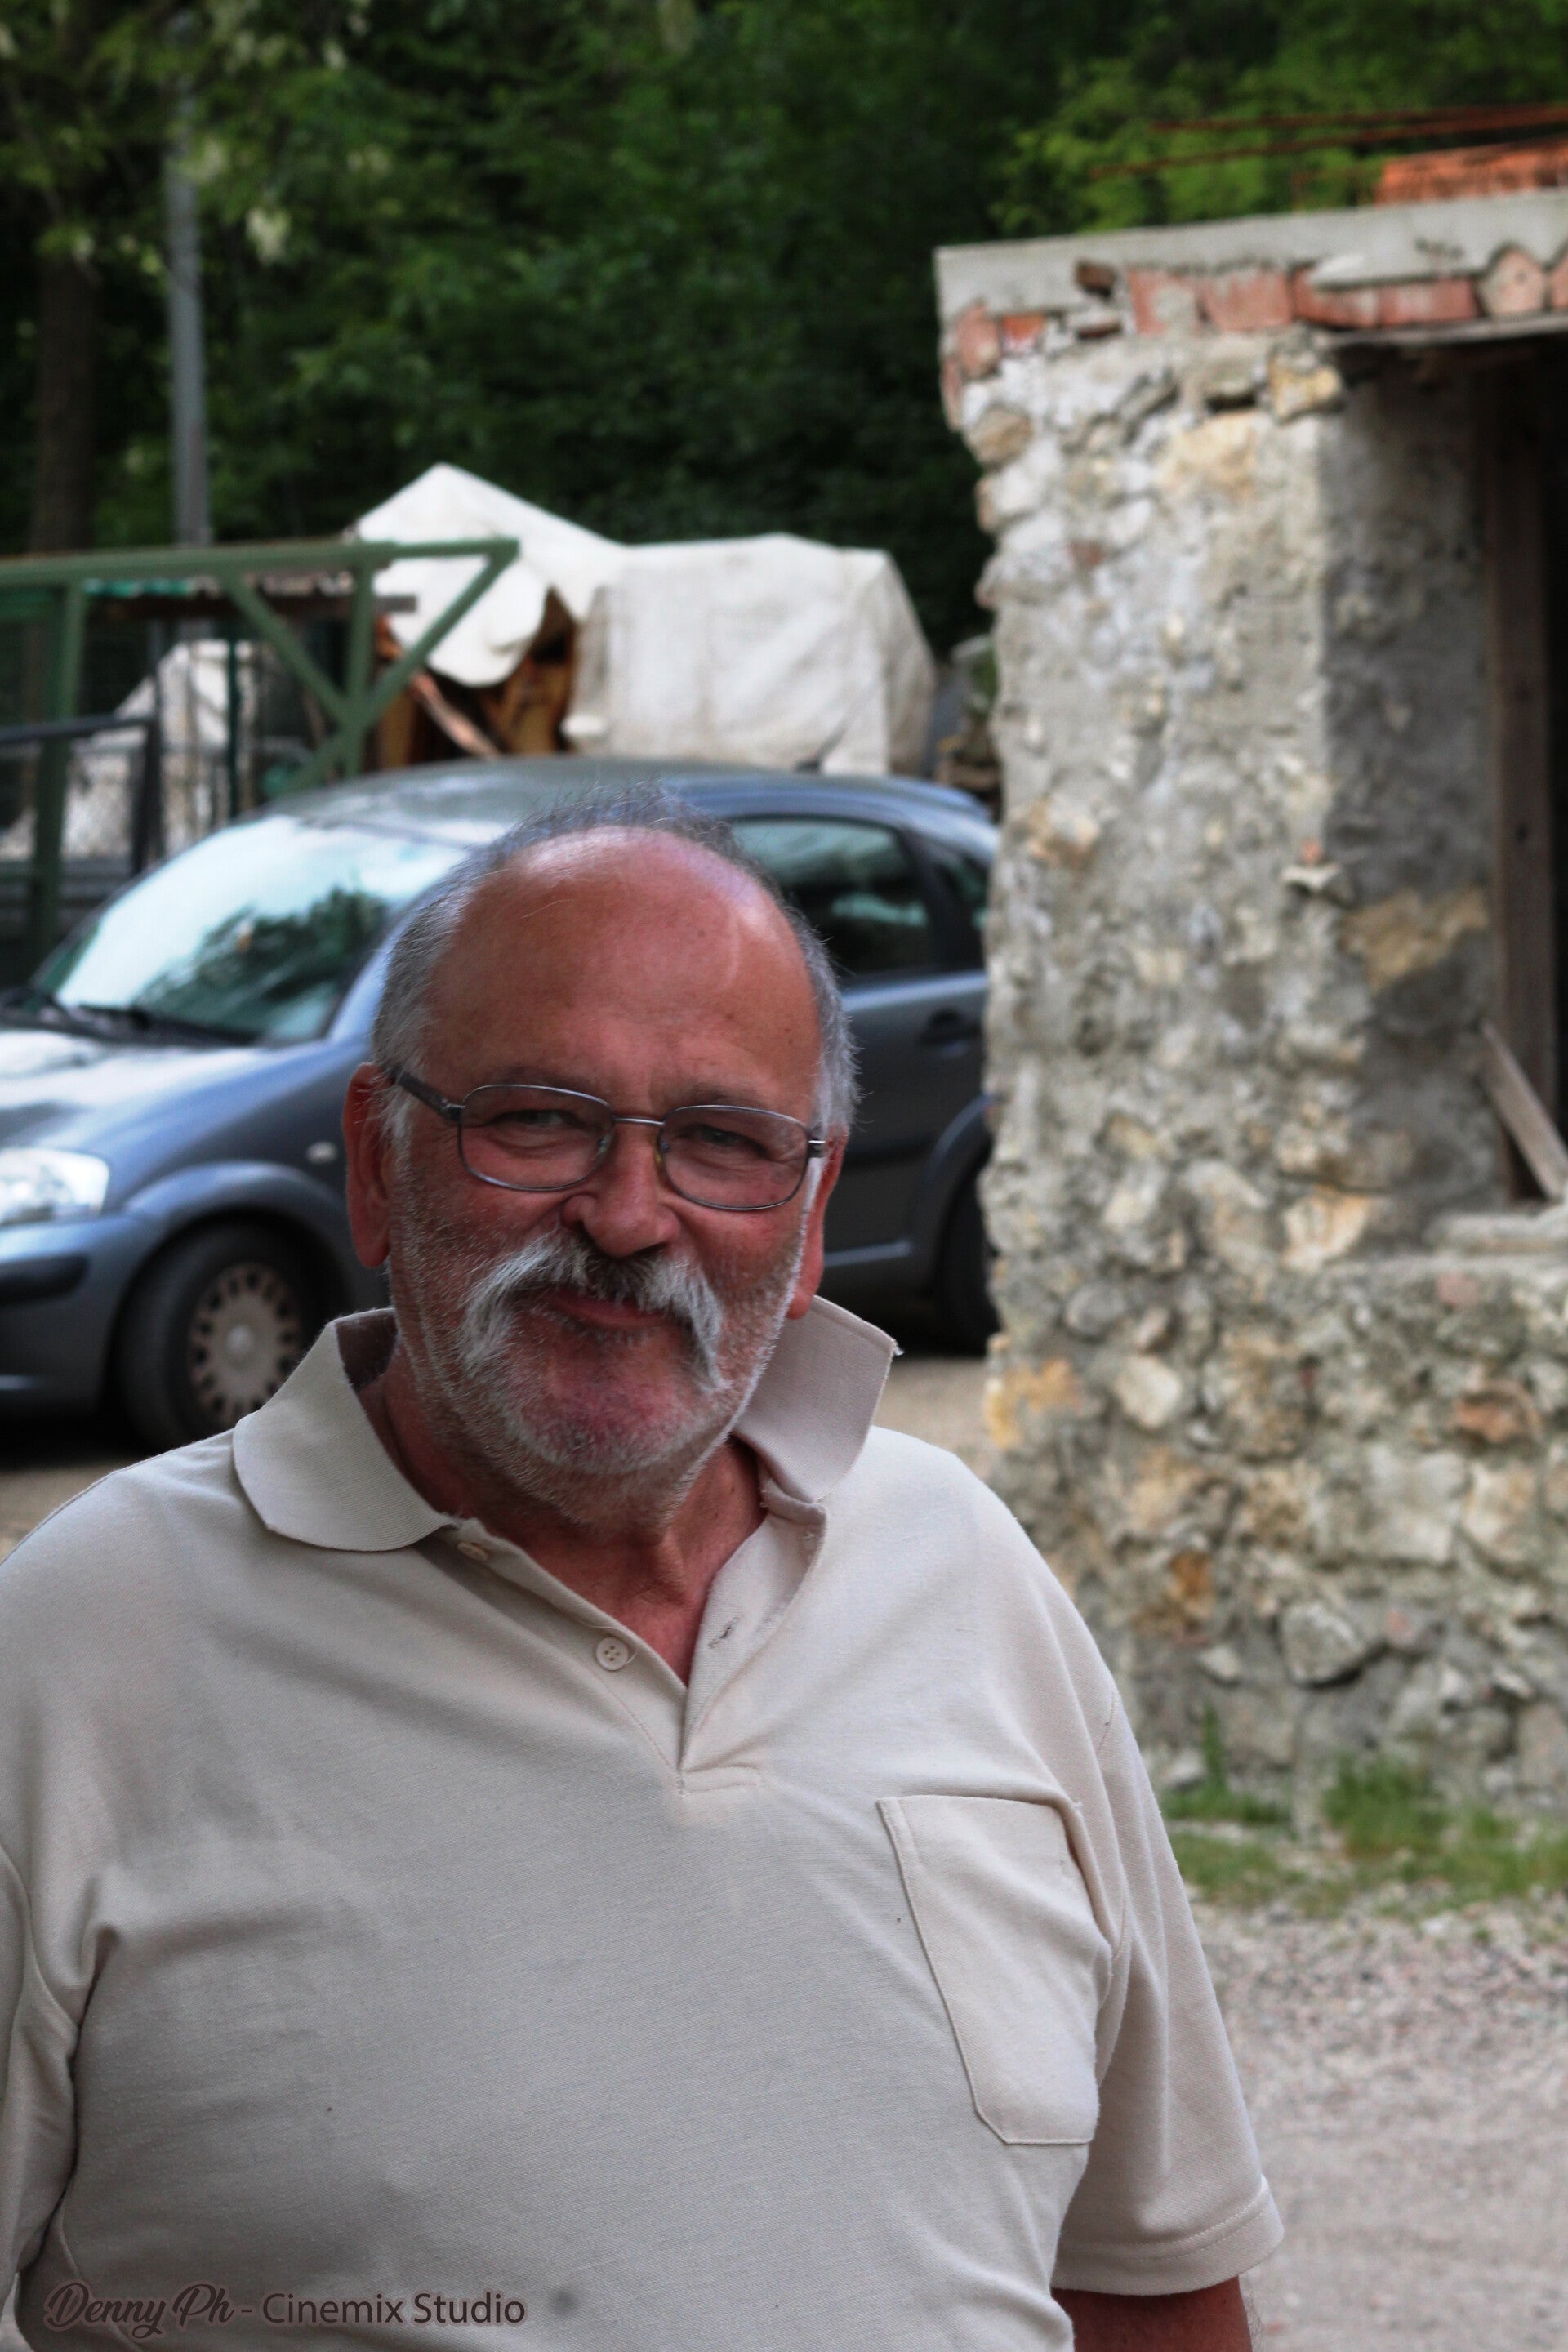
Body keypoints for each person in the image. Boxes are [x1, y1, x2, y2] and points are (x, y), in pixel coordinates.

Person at [0, 791, 1280, 2350]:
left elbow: (1152, 2284)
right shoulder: (84, 1647)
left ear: (811, 1217)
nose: (625, 1216)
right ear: (377, 1164)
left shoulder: (965, 1574)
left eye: (723, 1143)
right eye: (539, 1119)